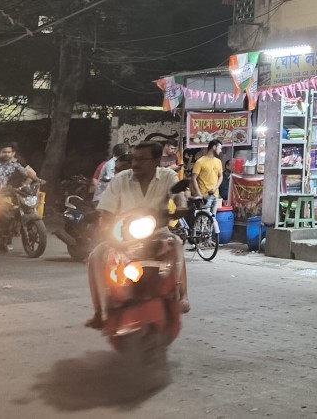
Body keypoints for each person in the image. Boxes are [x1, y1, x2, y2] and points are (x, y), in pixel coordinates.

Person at [86, 141, 189, 328]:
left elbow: (179, 196)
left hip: (158, 232)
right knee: (96, 256)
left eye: (141, 159)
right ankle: (100, 311)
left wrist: (181, 206)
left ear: (156, 161)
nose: (135, 163)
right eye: (134, 158)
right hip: (125, 234)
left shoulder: (168, 176)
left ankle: (183, 296)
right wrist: (105, 224)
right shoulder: (121, 179)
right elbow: (106, 209)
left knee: (177, 244)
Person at [0, 142, 43, 252]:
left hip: (7, 190)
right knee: (4, 213)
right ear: (0, 152)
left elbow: (26, 172)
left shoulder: (14, 163)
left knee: (17, 208)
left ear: (13, 153)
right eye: (4, 152)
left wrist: (37, 179)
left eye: (9, 152)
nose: (6, 154)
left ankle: (9, 235)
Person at [191, 140, 224, 211]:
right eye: (220, 148)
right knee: (204, 216)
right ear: (214, 147)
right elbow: (193, 178)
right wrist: (198, 193)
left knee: (213, 216)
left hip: (215, 195)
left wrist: (215, 188)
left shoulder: (218, 161)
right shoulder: (200, 161)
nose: (221, 150)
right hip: (204, 195)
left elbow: (221, 176)